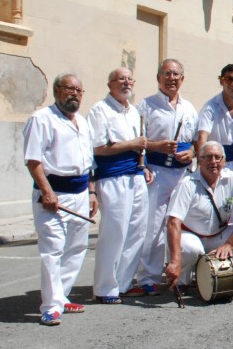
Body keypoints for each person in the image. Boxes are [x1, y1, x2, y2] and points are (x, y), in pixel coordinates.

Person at [24, 73, 96, 326]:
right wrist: (47, 191)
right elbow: (33, 160)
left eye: (79, 90)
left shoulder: (83, 122)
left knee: (76, 248)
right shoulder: (41, 119)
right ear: (57, 90)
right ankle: (51, 306)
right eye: (69, 89)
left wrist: (91, 192)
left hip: (78, 193)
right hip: (53, 194)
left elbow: (88, 162)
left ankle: (61, 296)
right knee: (53, 250)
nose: (75, 94)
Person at [127, 60, 198, 297]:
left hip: (182, 174)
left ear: (183, 79)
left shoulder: (189, 108)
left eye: (176, 74)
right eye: (166, 74)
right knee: (154, 228)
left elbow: (197, 141)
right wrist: (156, 148)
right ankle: (148, 277)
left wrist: (193, 153)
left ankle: (182, 273)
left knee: (181, 223)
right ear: (158, 77)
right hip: (156, 173)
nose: (171, 78)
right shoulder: (145, 107)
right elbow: (136, 140)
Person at [164, 142, 233, 293]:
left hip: (218, 236)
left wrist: (229, 245)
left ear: (224, 160)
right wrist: (175, 261)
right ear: (200, 160)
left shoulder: (232, 178)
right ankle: (183, 278)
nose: (213, 162)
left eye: (217, 157)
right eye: (208, 157)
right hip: (191, 236)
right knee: (192, 248)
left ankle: (222, 272)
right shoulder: (187, 184)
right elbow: (173, 223)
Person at [88, 67, 149, 305]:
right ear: (110, 84)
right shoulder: (99, 110)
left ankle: (123, 282)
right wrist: (132, 144)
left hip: (136, 176)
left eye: (129, 79)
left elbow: (139, 148)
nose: (126, 83)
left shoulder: (133, 111)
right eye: (120, 79)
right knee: (115, 231)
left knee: (136, 231)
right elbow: (98, 147)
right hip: (112, 177)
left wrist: (144, 167)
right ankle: (105, 287)